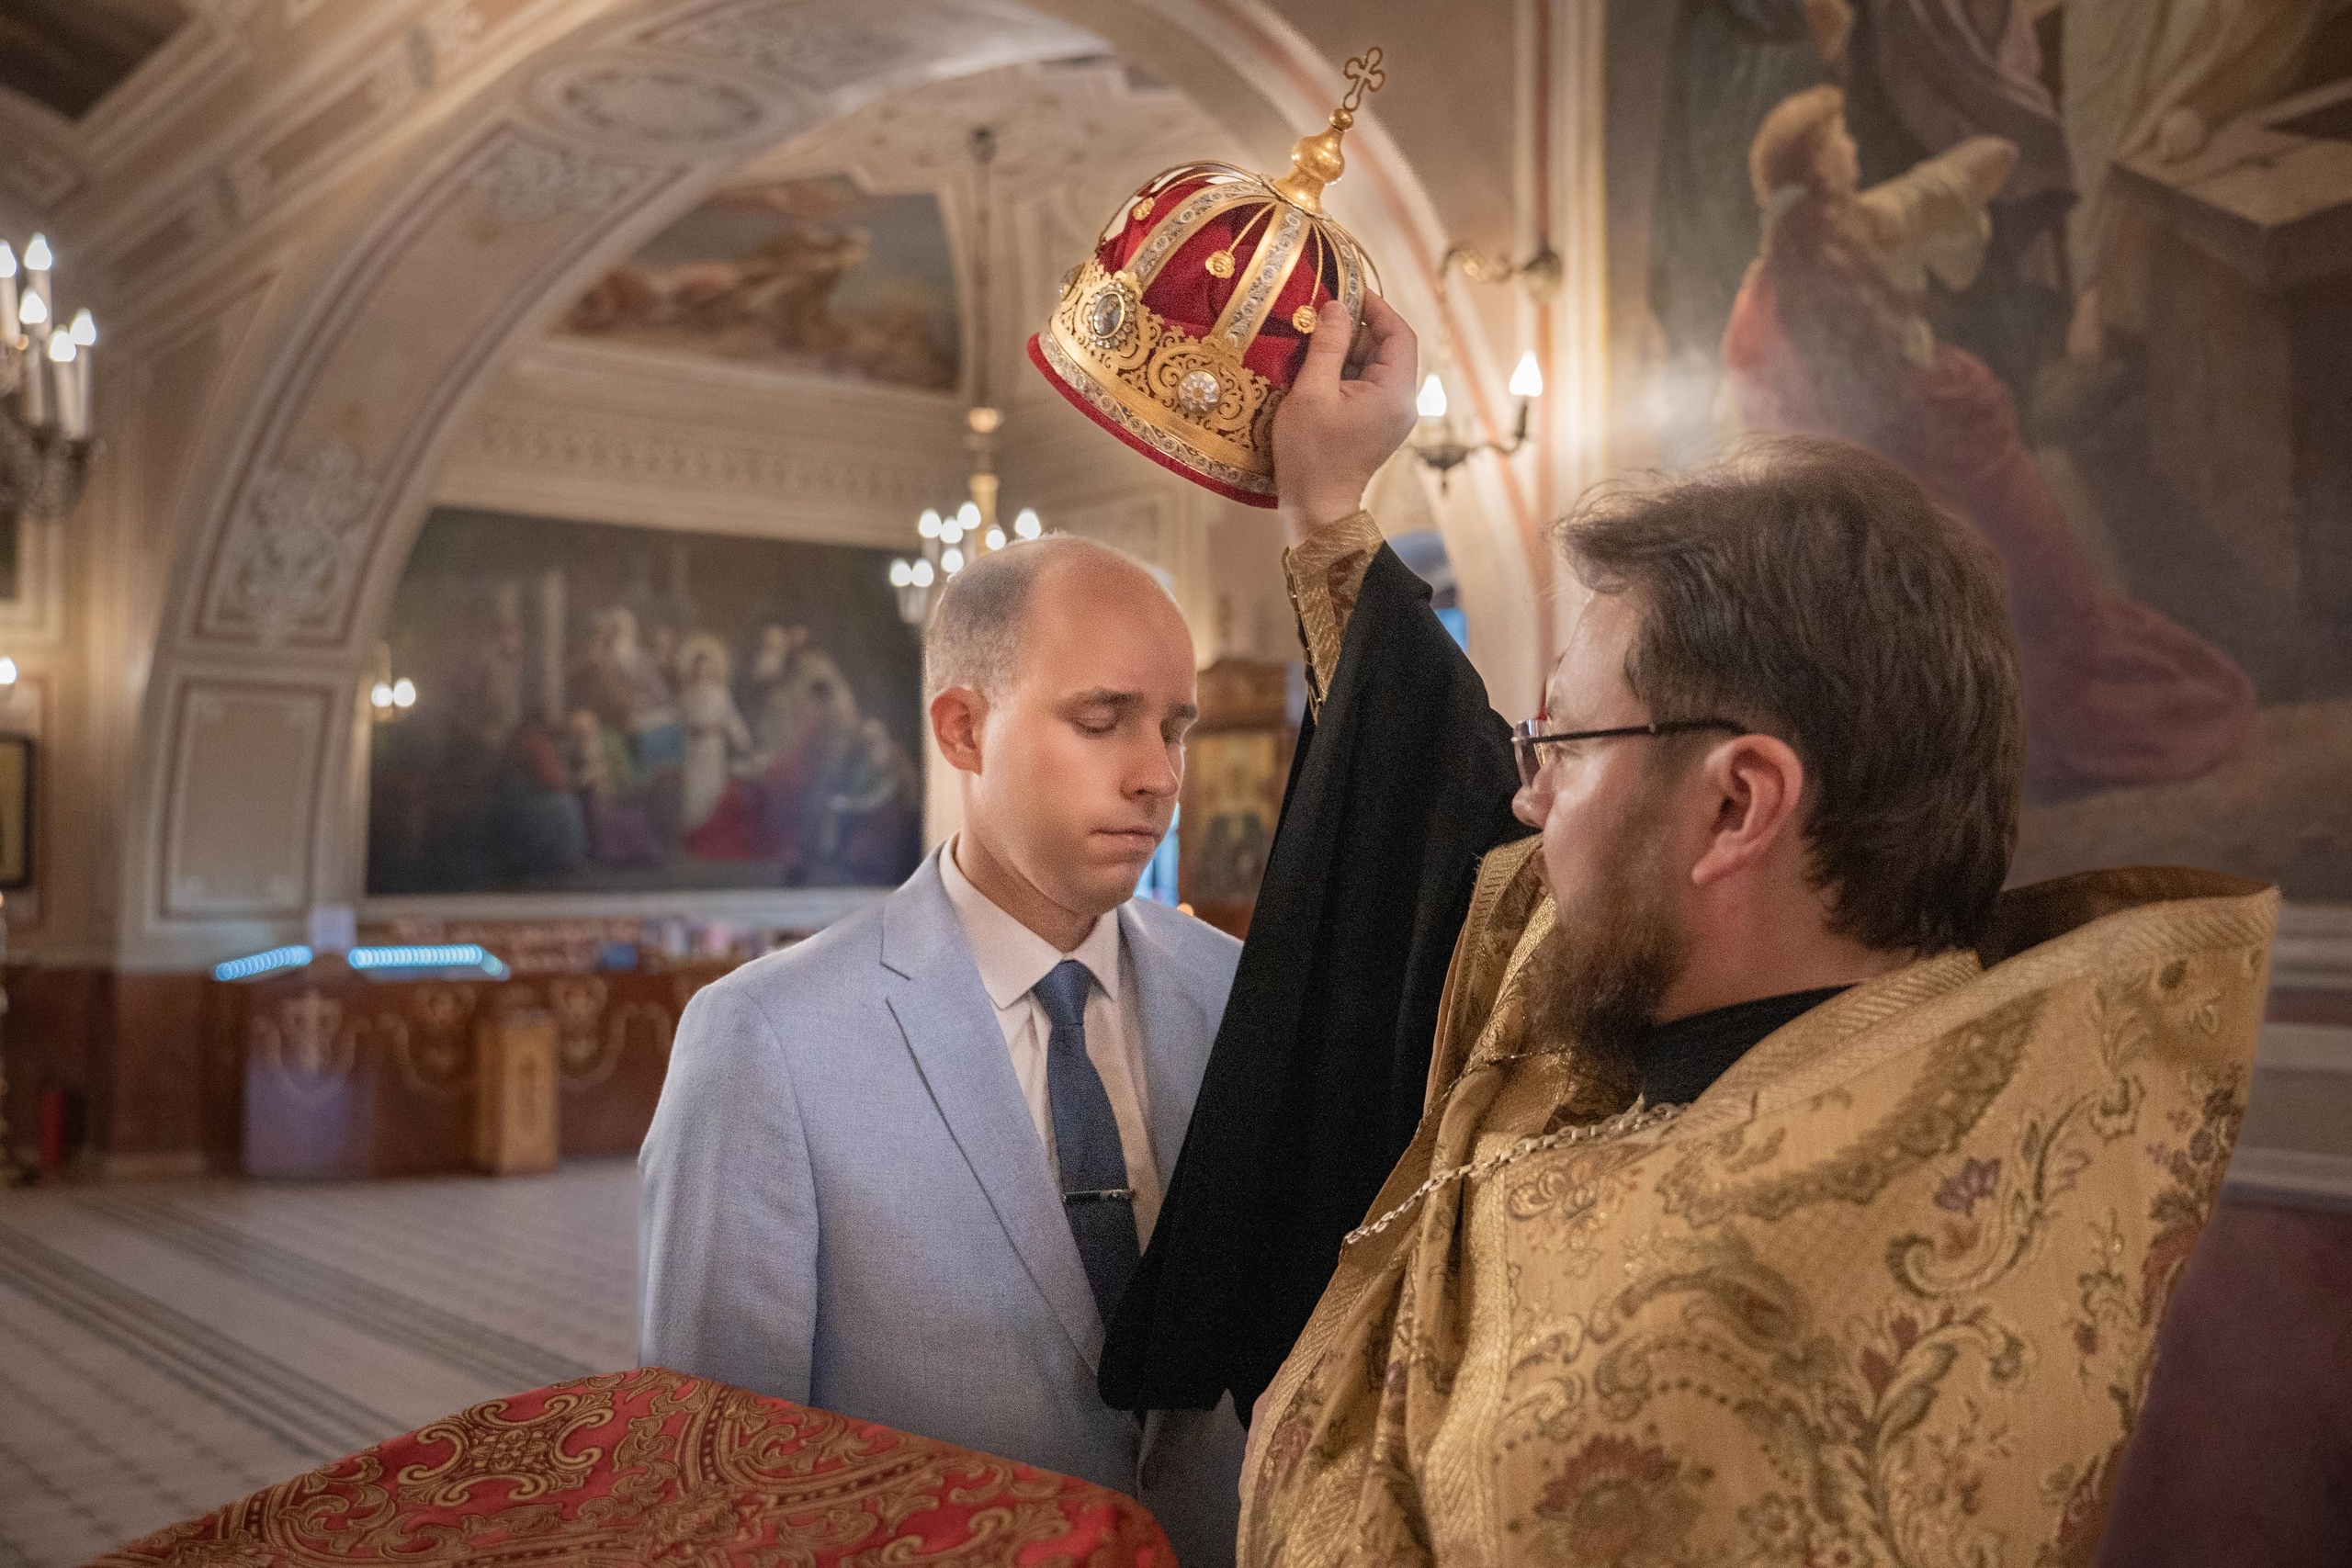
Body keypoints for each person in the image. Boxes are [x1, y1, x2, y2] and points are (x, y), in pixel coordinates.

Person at [1100, 289, 2274, 1562]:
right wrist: (1330, 508)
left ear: (1736, 805)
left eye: (1564, 739)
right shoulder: (1687, 971)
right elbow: (1449, 821)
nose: (1525, 791)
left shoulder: (1742, 1356)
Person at [639, 536, 1250, 1567]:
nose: (1156, 776)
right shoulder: (768, 1039)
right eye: (1101, 721)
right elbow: (716, 1477)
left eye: (1173, 730)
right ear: (963, 729)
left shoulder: (1235, 991)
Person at [1722, 85, 2253, 795]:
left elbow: (1991, 159)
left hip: (1945, 449)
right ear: (1816, 167)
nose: (1852, 152)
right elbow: (1810, 420)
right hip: (1944, 458)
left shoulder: (1822, 252)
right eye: (1838, 145)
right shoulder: (1812, 267)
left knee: (2049, 596)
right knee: (2040, 600)